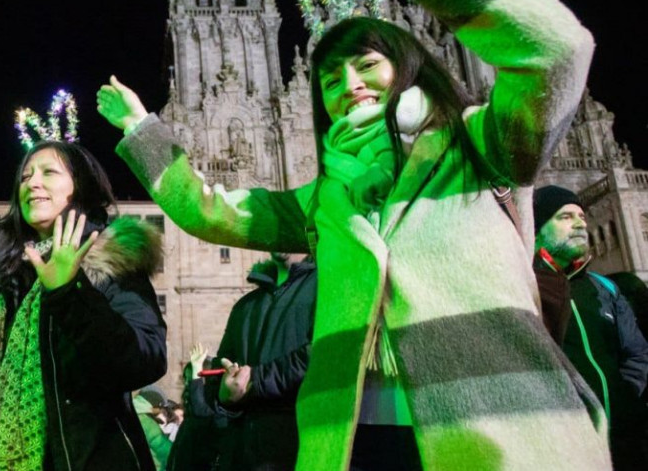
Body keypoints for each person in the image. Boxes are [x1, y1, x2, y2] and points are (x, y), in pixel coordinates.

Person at [98, 0, 607, 468]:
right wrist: (142, 128)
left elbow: (557, 55)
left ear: (408, 68)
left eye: (366, 65)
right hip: (359, 440)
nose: (350, 84)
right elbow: (212, 212)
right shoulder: (328, 199)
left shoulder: (477, 147)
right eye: (332, 80)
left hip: (497, 429)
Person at [0, 141, 167, 471]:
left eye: (49, 172)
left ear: (81, 185)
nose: (32, 183)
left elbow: (145, 359)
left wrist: (69, 291)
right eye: (25, 177)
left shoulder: (114, 259)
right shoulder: (5, 276)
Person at [532, 185, 648, 469]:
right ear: (536, 231)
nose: (581, 224)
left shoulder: (604, 288)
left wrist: (626, 397)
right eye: (565, 217)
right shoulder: (524, 290)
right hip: (566, 452)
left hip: (628, 445)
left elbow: (636, 353)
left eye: (582, 217)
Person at [209, 254, 315, 471]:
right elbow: (220, 369)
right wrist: (224, 394)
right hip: (246, 455)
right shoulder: (246, 305)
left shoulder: (328, 286)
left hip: (302, 453)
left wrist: (255, 380)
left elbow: (324, 355)